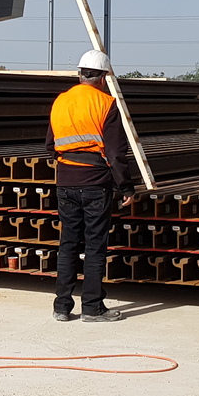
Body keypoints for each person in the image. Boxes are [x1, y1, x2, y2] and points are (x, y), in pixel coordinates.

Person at [47, 50, 134, 323]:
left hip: (65, 182)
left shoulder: (60, 101)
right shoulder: (106, 103)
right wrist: (127, 188)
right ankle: (92, 308)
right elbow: (116, 152)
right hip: (96, 183)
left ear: (80, 74)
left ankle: (62, 307)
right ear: (104, 77)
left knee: (68, 244)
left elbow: (50, 146)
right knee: (95, 247)